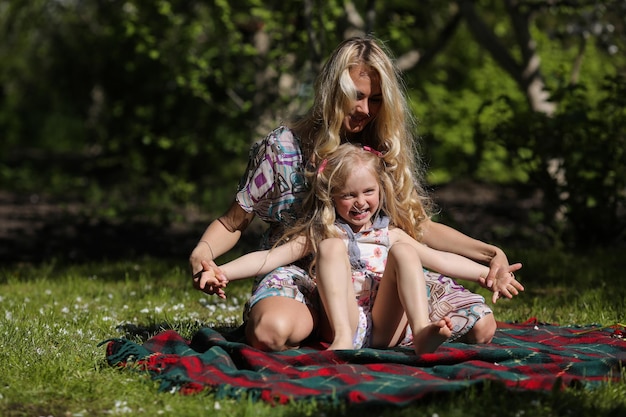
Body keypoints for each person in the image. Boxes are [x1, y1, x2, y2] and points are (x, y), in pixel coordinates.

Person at [190, 35, 524, 352]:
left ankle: (396, 332)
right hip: (302, 273)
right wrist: (204, 256)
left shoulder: (382, 148)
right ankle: (336, 331)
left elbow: (417, 228)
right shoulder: (284, 148)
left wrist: (489, 255)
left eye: (376, 99)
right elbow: (234, 223)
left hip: (376, 277)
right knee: (269, 332)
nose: (366, 109)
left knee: (482, 327)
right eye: (356, 95)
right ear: (332, 90)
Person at [197, 144, 522, 354]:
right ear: (331, 196)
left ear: (380, 190)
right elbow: (269, 258)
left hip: (385, 322)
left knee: (407, 253)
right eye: (348, 195)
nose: (360, 202)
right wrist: (222, 271)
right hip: (342, 320)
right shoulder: (322, 232)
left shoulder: (391, 234)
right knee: (331, 249)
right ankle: (341, 341)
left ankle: (422, 331)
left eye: (368, 191)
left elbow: (440, 259)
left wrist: (487, 273)